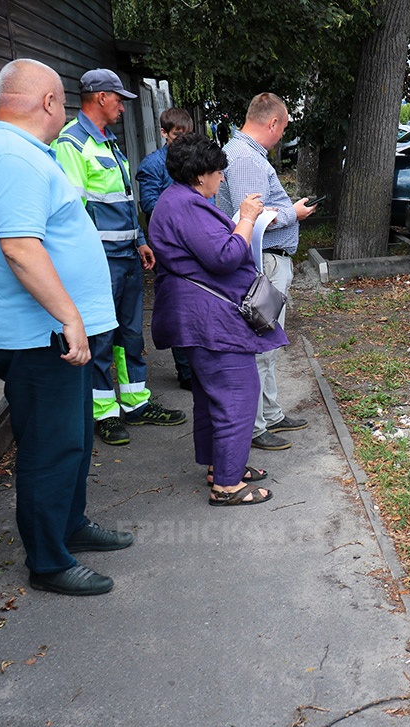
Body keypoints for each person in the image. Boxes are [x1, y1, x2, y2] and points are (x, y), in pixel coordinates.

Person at [0, 58, 134, 595]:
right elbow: (19, 247)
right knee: (50, 448)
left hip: (52, 334)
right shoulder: (12, 157)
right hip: (41, 337)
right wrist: (70, 316)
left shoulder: (17, 151)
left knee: (75, 439)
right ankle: (48, 562)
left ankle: (70, 527)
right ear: (50, 103)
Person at [149, 132, 289, 505]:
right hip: (209, 320)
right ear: (200, 176)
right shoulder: (187, 205)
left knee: (212, 397)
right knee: (237, 395)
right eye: (217, 173)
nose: (222, 179)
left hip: (199, 316)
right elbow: (224, 256)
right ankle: (227, 486)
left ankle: (221, 465)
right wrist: (246, 220)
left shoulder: (177, 200)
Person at [52, 68, 185, 446]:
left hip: (126, 256)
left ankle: (137, 403)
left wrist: (141, 239)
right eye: (119, 100)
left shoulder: (109, 142)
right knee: (101, 338)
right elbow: (71, 213)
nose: (124, 108)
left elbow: (124, 200)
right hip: (99, 263)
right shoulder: (72, 144)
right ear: (100, 97)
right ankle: (105, 414)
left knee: (130, 335)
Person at [216, 92, 315, 451]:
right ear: (272, 123)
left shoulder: (245, 154)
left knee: (268, 344)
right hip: (264, 261)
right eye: (283, 128)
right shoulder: (244, 158)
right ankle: (256, 426)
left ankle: (270, 414)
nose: (282, 136)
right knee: (259, 344)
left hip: (270, 259)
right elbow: (250, 218)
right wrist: (294, 213)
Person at [136, 107, 195, 391]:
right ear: (163, 133)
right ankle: (186, 373)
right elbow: (149, 204)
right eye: (176, 136)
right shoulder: (152, 165)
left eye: (187, 135)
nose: (182, 141)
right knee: (177, 308)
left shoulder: (192, 161)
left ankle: (197, 367)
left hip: (195, 244)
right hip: (168, 248)